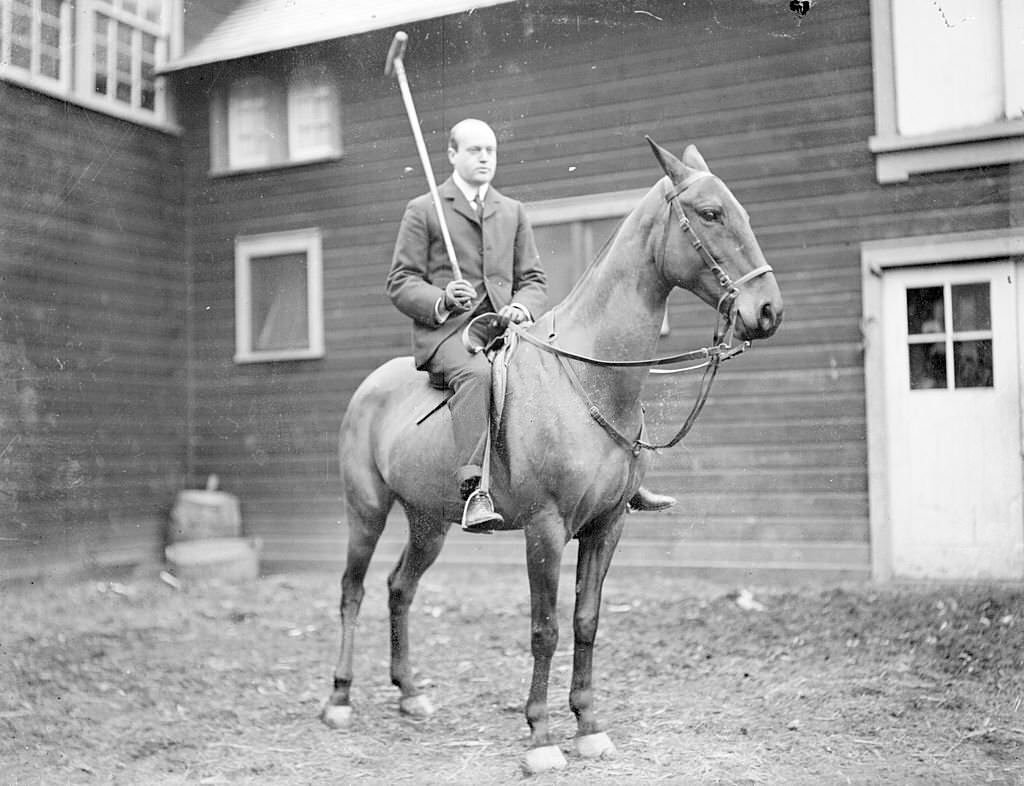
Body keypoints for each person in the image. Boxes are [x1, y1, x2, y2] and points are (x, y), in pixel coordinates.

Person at [387, 118, 675, 533]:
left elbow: (533, 281)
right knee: (478, 376)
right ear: (452, 155)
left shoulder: (512, 211)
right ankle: (475, 489)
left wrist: (522, 307)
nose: (485, 157)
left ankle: (625, 477)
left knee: (569, 371)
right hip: (451, 335)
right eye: (474, 150)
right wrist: (442, 298)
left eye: (490, 150)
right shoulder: (424, 211)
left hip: (506, 330)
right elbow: (400, 283)